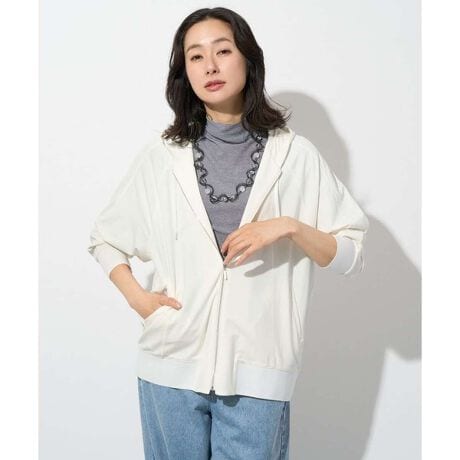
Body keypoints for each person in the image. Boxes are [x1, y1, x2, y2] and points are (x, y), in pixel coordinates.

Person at [87, 6, 370, 460]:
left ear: (248, 60)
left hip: (258, 373)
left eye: (222, 51)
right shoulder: (162, 158)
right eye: (195, 56)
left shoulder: (296, 157)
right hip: (170, 366)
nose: (210, 66)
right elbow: (106, 239)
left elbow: (351, 254)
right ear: (184, 72)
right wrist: (139, 300)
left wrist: (288, 227)